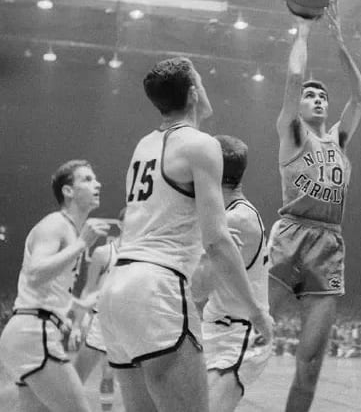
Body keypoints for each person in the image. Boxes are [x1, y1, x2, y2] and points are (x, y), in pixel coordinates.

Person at [98, 57, 273, 412]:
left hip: (116, 289)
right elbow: (217, 240)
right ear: (193, 93)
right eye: (203, 83)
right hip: (157, 286)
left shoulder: (143, 145)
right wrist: (256, 312)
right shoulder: (200, 144)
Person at [267, 0, 361, 412]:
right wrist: (304, 31)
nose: (318, 98)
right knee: (247, 330)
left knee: (310, 363)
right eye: (311, 95)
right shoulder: (291, 132)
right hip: (290, 233)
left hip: (328, 244)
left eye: (322, 95)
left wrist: (341, 44)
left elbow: (360, 97)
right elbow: (294, 77)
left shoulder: (339, 140)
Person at [0, 160, 110, 412]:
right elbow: (36, 274)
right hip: (33, 333)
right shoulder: (55, 224)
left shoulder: (70, 230)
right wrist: (82, 244)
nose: (98, 183)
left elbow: (47, 288)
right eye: (87, 179)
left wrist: (80, 305)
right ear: (67, 191)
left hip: (26, 333)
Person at [191, 135, 272, 412]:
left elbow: (199, 289)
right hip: (215, 330)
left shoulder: (236, 220)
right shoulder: (226, 214)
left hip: (239, 336)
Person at [72, 208, 125, 411]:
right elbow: (88, 288)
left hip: (126, 322)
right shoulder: (104, 253)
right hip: (100, 321)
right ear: (120, 224)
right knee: (77, 376)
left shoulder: (142, 255)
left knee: (110, 374)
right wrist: (77, 324)